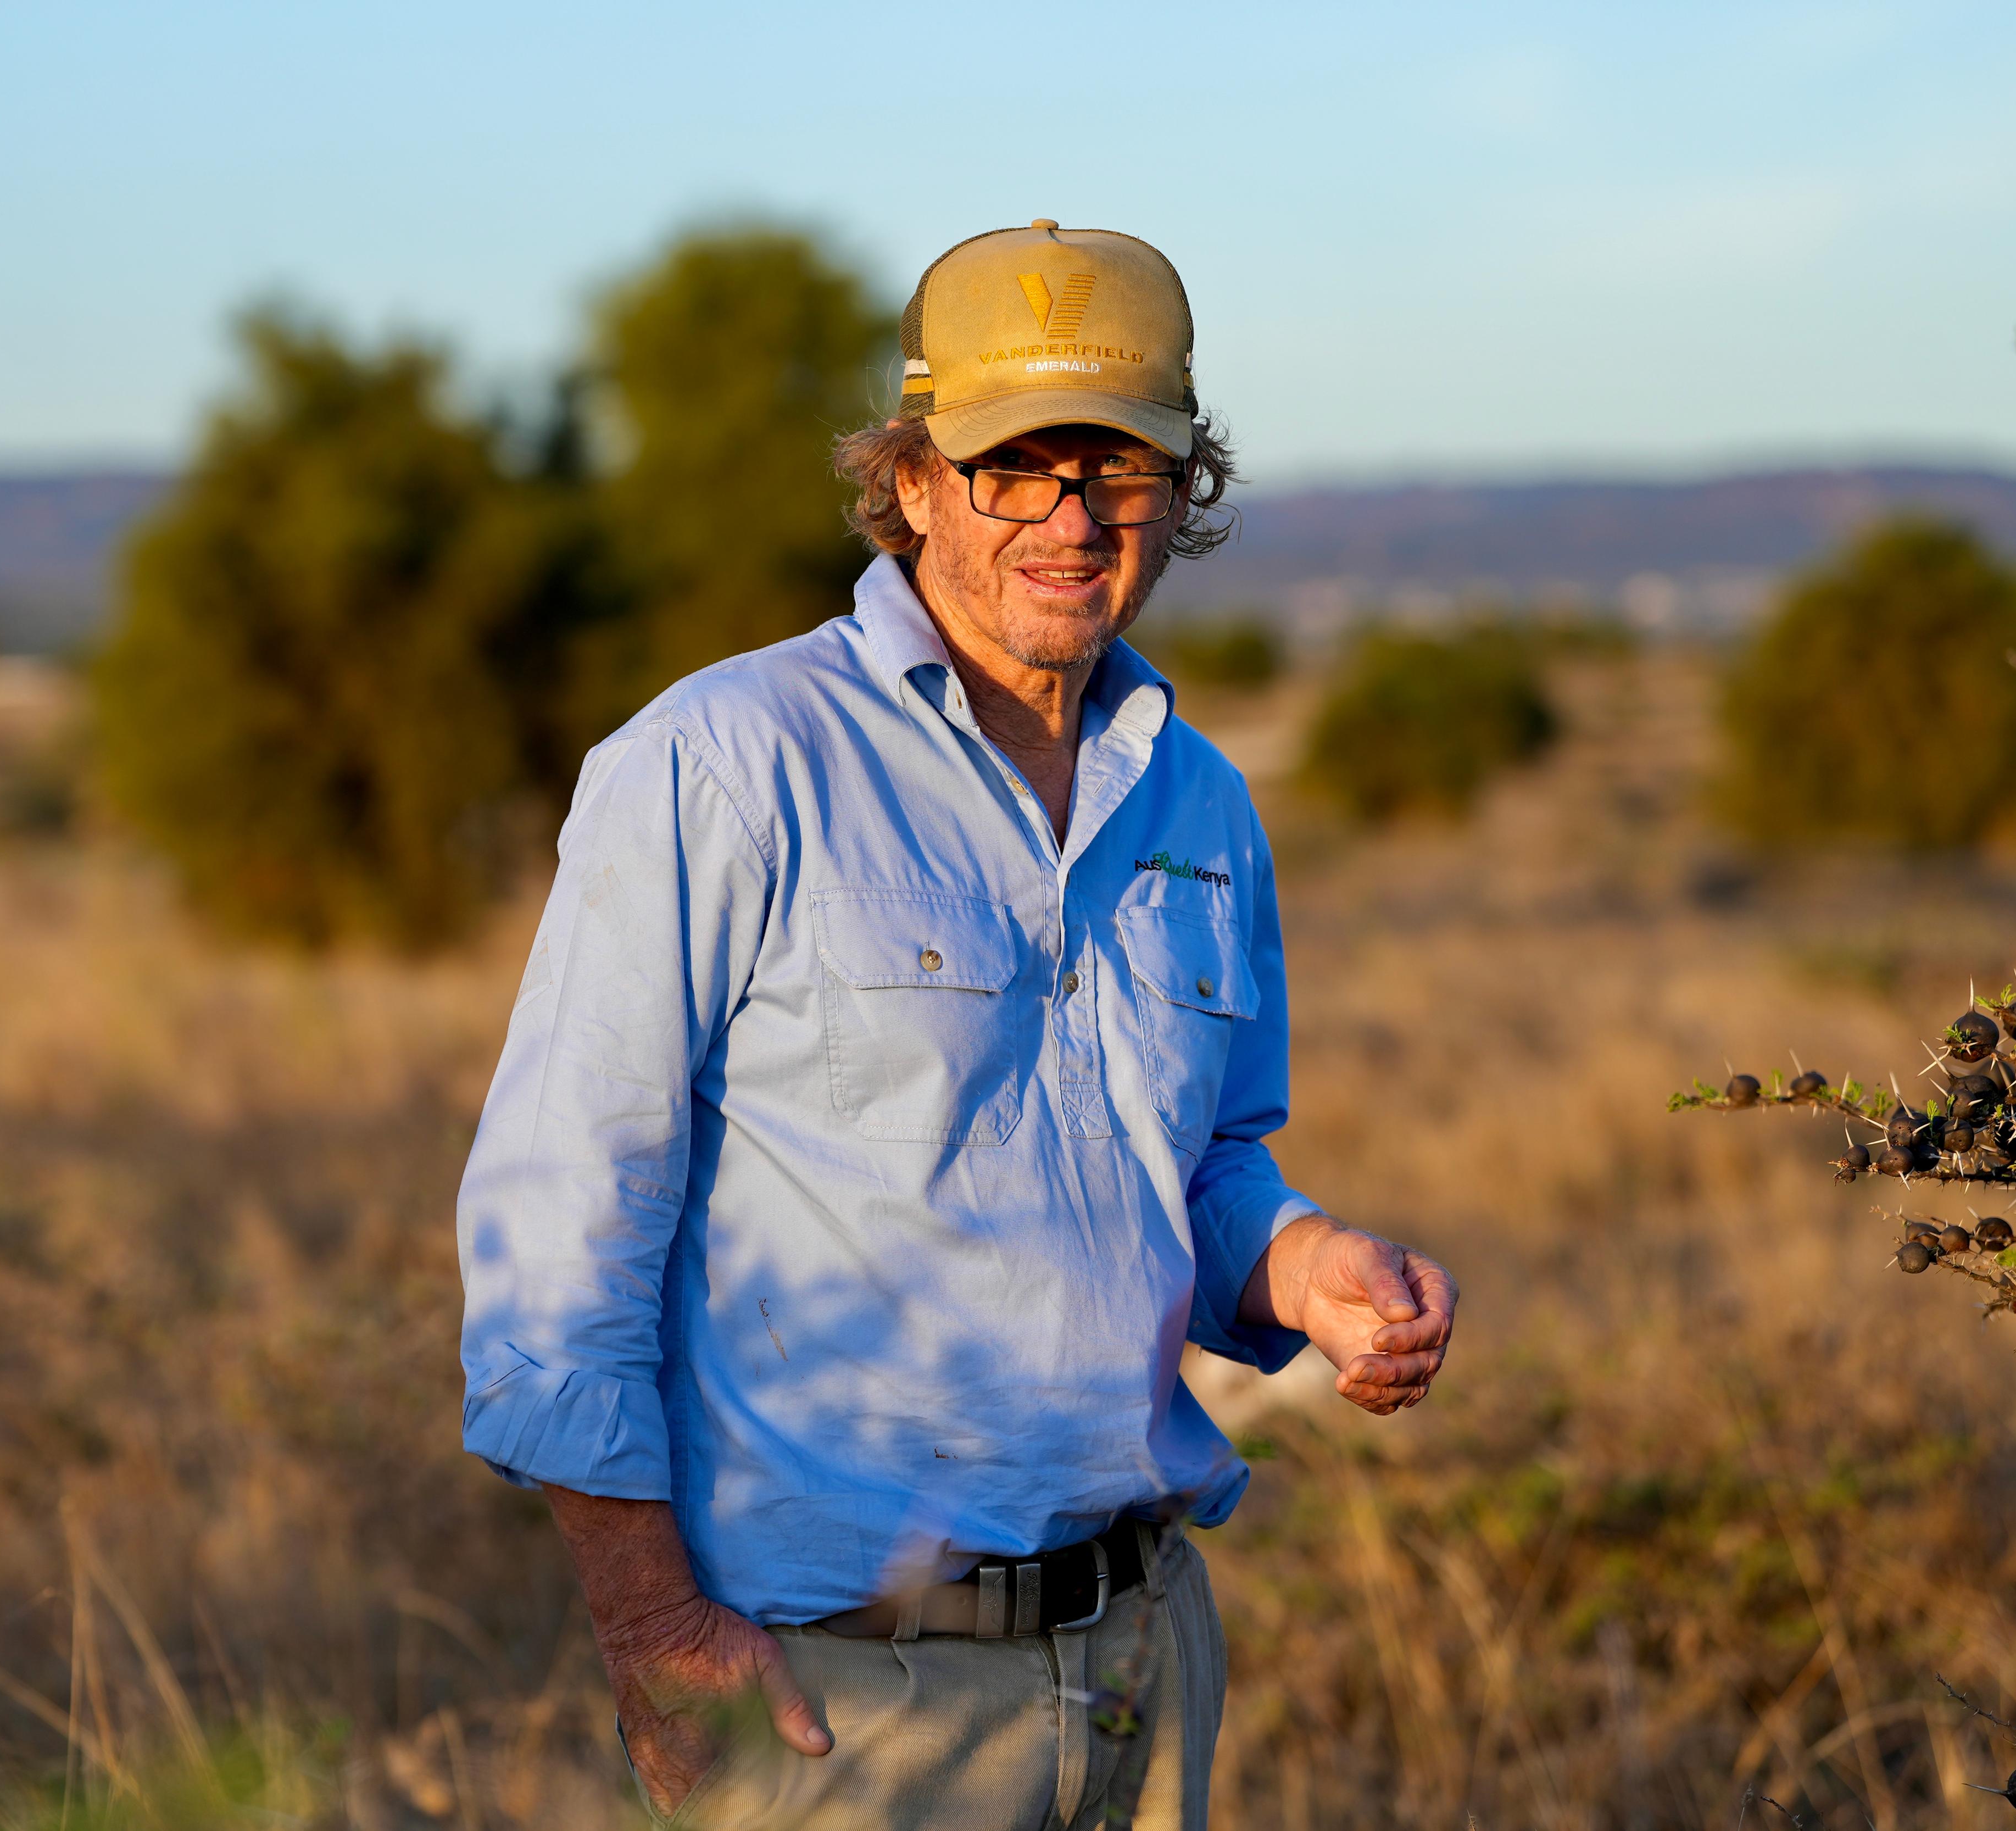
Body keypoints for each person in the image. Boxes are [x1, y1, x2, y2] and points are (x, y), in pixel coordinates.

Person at [456, 220, 1457, 1830]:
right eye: (1015, 467)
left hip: (1145, 1665)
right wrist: (649, 1626)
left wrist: (1308, 1265)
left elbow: (1193, 1179)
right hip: (850, 1707)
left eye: (1121, 466)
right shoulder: (726, 763)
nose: (1073, 518)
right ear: (912, 481)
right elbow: (559, 1225)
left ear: (1186, 491)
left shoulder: (1200, 802)